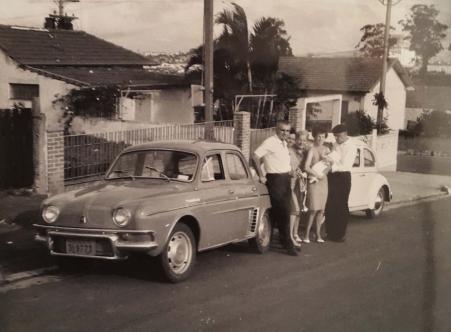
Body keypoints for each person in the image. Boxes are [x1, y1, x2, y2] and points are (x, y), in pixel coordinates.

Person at [252, 121, 300, 256]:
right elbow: (255, 156)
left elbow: (281, 162)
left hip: (285, 179)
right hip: (275, 180)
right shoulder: (270, 142)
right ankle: (288, 245)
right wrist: (261, 175)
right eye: (282, 130)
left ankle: (273, 241)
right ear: (276, 130)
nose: (285, 133)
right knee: (284, 213)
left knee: (281, 212)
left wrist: (291, 171)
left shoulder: (284, 143)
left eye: (287, 131)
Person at [324, 124, 357, 242]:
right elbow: (331, 157)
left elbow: (345, 165)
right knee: (330, 204)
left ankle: (339, 234)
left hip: (343, 177)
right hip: (332, 176)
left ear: (345, 134)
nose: (336, 139)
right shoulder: (335, 144)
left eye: (338, 136)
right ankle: (330, 232)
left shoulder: (351, 147)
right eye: (335, 136)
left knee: (341, 205)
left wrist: (330, 167)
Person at [303, 127, 330, 243]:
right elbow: (306, 167)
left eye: (323, 136)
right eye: (318, 136)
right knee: (313, 209)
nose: (321, 138)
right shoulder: (311, 150)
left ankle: (318, 234)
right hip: (314, 181)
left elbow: (330, 165)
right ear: (314, 137)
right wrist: (316, 174)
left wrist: (323, 173)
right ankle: (306, 235)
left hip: (323, 181)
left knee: (321, 210)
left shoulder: (327, 149)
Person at [288, 130, 311, 245]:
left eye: (304, 140)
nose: (301, 142)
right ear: (296, 139)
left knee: (299, 210)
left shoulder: (306, 152)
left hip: (300, 184)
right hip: (289, 183)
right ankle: (289, 234)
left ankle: (295, 233)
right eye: (299, 139)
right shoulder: (289, 150)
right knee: (294, 209)